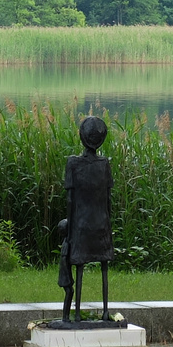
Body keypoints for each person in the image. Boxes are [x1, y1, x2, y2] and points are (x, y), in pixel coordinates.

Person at [61, 115, 115, 320]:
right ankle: (105, 310)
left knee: (80, 268)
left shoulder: (73, 164)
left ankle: (76, 314)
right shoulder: (104, 164)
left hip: (82, 226)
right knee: (103, 268)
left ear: (82, 137)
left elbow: (70, 201)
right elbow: (108, 200)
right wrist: (108, 225)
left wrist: (70, 228)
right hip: (101, 224)